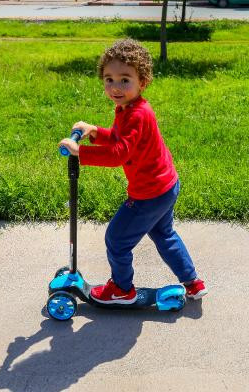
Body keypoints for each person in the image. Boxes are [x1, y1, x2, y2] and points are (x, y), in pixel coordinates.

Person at [58, 39, 207, 304]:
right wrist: (94, 131)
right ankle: (193, 283)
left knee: (117, 239)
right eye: (109, 79)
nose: (115, 87)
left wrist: (79, 152)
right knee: (164, 234)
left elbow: (119, 153)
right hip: (165, 185)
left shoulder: (138, 114)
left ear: (143, 82)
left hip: (149, 193)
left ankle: (121, 289)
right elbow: (119, 139)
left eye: (125, 80)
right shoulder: (128, 108)